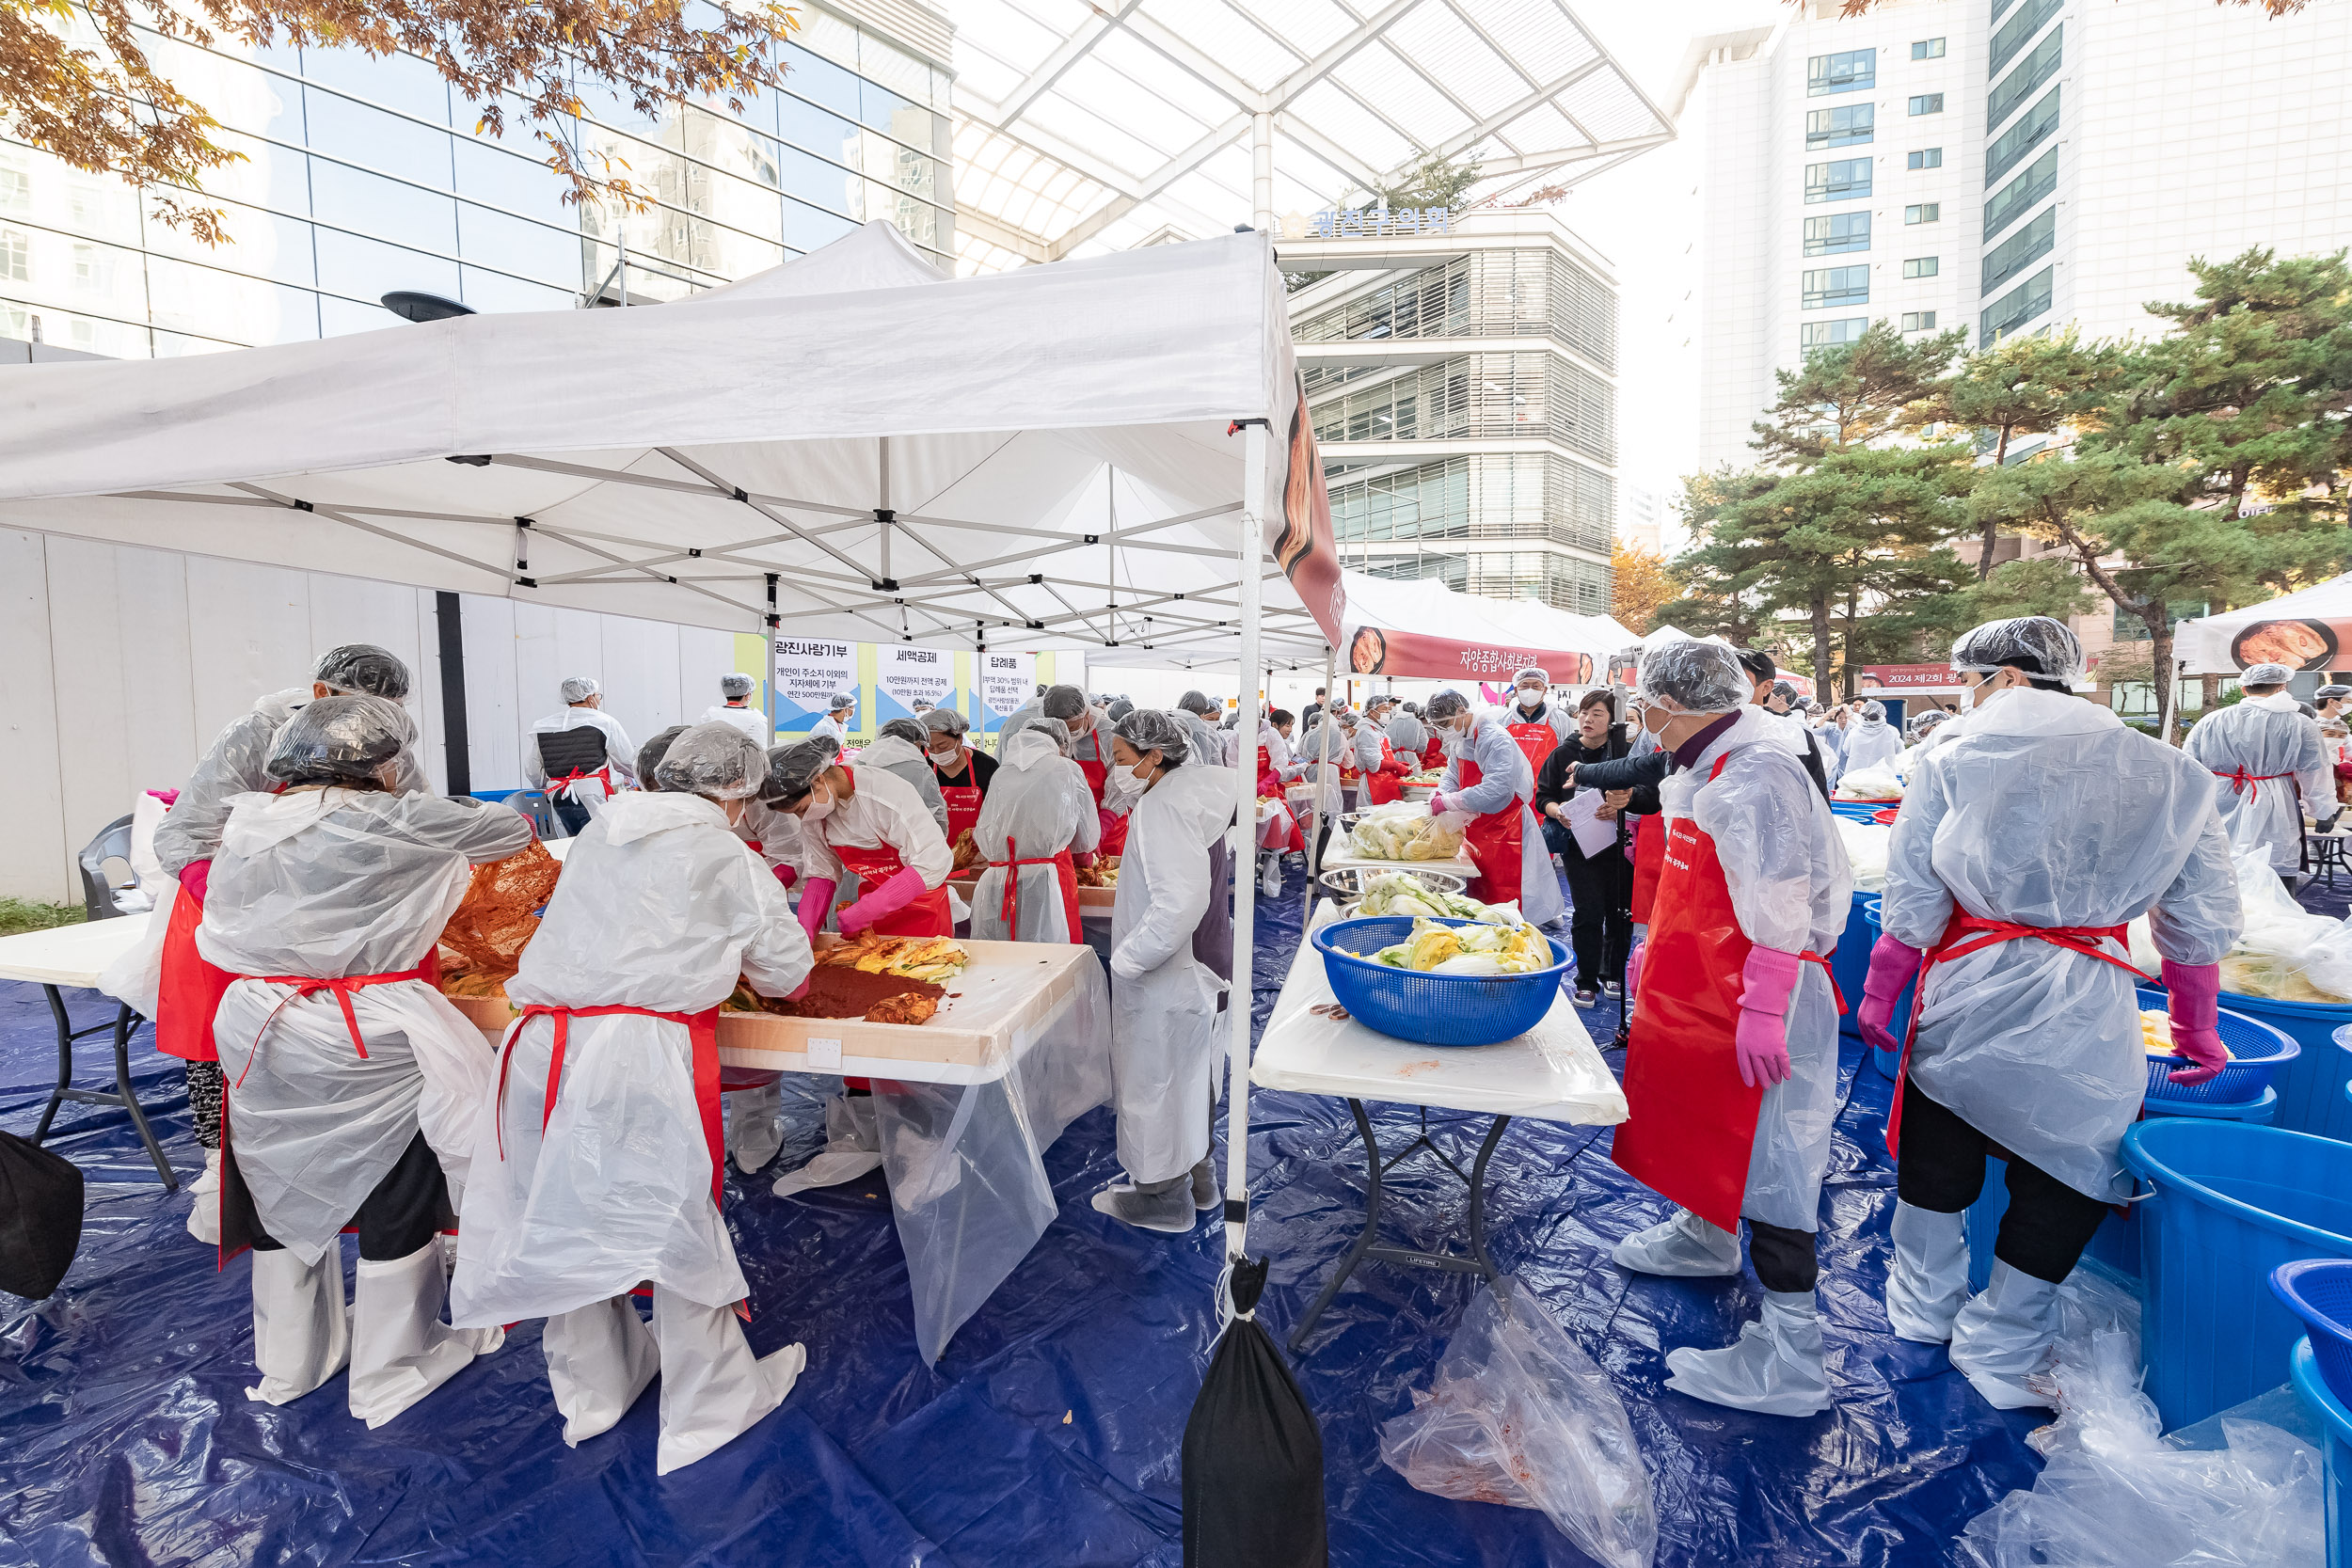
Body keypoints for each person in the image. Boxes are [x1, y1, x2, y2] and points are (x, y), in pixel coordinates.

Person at [1859, 617, 2240, 1409]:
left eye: (1974, 677)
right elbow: (2197, 917)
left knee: (1939, 1156)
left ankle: (1922, 1309)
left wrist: (1878, 993)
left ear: (2009, 675)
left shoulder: (1955, 754)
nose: (1971, 693)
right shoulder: (2169, 770)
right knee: (2067, 1173)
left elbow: (1915, 895)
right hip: (2090, 997)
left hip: (1970, 983)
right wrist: (2198, 1029)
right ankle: (2002, 1346)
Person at [450, 723, 814, 1473]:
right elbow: (786, 972)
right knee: (674, 1216)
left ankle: (598, 1388)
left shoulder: (598, 833)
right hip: (636, 1054)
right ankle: (711, 1403)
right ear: (736, 790)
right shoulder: (724, 853)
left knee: (569, 1211)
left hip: (545, 1040)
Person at [202, 695, 532, 1423]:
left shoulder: (250, 820)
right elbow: (509, 828)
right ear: (384, 761)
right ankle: (393, 1365)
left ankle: (292, 1359)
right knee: (398, 1190)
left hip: (264, 1021)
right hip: (367, 1030)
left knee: (274, 1176)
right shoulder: (395, 818)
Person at [1605, 641, 1851, 1418]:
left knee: (1775, 1164)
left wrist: (1767, 1001)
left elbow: (1782, 899)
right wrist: (1656, 944)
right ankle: (1706, 1237)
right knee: (1699, 1121)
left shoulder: (1757, 775)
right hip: (1704, 985)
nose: (1640, 718)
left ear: (1685, 704)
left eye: (1646, 703)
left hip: (1756, 996)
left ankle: (1792, 1357)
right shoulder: (1704, 770)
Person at [150, 643, 423, 1243]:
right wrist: (231, 896)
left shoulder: (385, 740)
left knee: (333, 1051)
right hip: (237, 918)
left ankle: (347, 1168)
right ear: (322, 694)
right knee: (230, 1046)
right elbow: (184, 834)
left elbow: (414, 815)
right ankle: (224, 1176)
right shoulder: (260, 735)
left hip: (341, 921)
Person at [758, 736, 957, 1193]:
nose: (797, 816)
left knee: (908, 1025)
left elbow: (933, 861)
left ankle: (920, 1137)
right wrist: (805, 925)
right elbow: (823, 870)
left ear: (820, 778)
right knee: (861, 1024)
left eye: (797, 805)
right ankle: (862, 1135)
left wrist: (875, 906)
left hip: (919, 913)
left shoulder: (885, 794)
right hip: (870, 918)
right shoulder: (816, 813)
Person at [1092, 709, 1235, 1234]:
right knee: (1194, 1078)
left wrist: (1127, 961)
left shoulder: (1164, 805)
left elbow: (1178, 903)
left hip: (1171, 969)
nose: (1115, 769)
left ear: (1156, 757)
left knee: (1152, 1079)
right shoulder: (1196, 795)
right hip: (1204, 962)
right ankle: (1200, 1181)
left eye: (1123, 759)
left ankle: (1159, 1199)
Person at [1533, 691, 1651, 1006]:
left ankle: (1612, 973)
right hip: (1578, 845)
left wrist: (1619, 808)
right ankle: (1586, 981)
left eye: (1597, 714)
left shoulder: (1626, 755)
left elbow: (1643, 794)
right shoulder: (1563, 754)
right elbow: (1543, 797)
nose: (1587, 719)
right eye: (1584, 713)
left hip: (1621, 845)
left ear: (1614, 721)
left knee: (1619, 913)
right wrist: (1559, 812)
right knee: (1587, 912)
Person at [1423, 690, 1567, 927]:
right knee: (1484, 883)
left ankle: (1519, 926)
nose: (1443, 730)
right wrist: (1441, 792)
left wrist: (1451, 802)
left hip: (1506, 825)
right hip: (1478, 822)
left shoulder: (1494, 738)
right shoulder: (1460, 738)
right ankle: (1487, 923)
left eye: (1445, 723)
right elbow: (1452, 774)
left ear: (1462, 711)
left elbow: (1498, 789)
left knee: (1512, 886)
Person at [2182, 660, 2334, 879]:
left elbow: (2190, 768)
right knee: (2275, 864)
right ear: (2282, 687)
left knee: (2220, 863)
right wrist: (2322, 812)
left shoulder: (2211, 721)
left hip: (2220, 801)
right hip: (2276, 803)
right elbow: (2315, 770)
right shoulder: (2299, 723)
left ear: (2244, 689)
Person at [969, 722, 1099, 943]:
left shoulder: (1002, 772)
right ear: (1058, 745)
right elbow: (1086, 837)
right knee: (1055, 953)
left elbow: (985, 831)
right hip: (1051, 872)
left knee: (1008, 950)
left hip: (1001, 876)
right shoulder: (1066, 768)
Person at [526, 675, 638, 836]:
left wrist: (543, 784)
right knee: (598, 841)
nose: (598, 700)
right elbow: (626, 762)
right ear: (589, 696)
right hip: (592, 791)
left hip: (557, 793)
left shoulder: (543, 726)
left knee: (567, 844)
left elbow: (533, 770)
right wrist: (642, 780)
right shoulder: (604, 722)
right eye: (598, 696)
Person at [1736, 649, 1832, 800]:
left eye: (1738, 678)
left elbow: (1817, 801)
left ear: (1766, 687)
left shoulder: (1792, 735)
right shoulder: (1702, 728)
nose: (1728, 687)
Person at [859, 717, 951, 836]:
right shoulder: (919, 770)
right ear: (916, 742)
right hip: (909, 842)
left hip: (866, 841)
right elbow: (935, 814)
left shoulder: (860, 762)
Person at [923, 707, 995, 847]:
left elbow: (997, 814)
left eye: (943, 746)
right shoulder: (924, 768)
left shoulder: (986, 766)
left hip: (976, 852)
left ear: (960, 738)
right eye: (930, 748)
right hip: (934, 851)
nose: (936, 752)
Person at [1502, 667, 1574, 775]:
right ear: (1516, 690)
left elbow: (1569, 754)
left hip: (1548, 786)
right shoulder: (1504, 719)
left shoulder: (1560, 719)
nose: (1530, 690)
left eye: (1536, 686)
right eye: (1525, 686)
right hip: (1511, 786)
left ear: (1544, 690)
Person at [1352, 694, 1414, 805]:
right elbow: (1373, 763)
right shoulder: (1366, 731)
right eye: (1384, 709)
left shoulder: (1378, 730)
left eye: (1388, 709)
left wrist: (1397, 763)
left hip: (1385, 781)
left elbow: (1380, 756)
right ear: (1372, 712)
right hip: (1373, 782)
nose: (1387, 712)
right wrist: (1395, 766)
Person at [699, 673, 770, 743]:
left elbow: (700, 744)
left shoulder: (710, 715)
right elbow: (764, 749)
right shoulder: (758, 719)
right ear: (748, 695)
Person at [1840, 700, 1901, 775]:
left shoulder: (1855, 731)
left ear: (1863, 713)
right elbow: (1900, 751)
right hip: (1884, 776)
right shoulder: (1891, 731)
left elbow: (1846, 750)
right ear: (1882, 713)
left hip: (1856, 776)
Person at [1175, 690, 1229, 768]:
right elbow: (1215, 761)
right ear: (1203, 710)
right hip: (1202, 775)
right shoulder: (1203, 731)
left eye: (1217, 719)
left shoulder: (1172, 723)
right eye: (1211, 718)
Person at [1385, 699, 1429, 764]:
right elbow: (1422, 743)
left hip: (1393, 757)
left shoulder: (1392, 721)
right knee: (1412, 773)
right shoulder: (1417, 722)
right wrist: (1420, 753)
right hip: (1411, 758)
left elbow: (1386, 739)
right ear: (1416, 712)